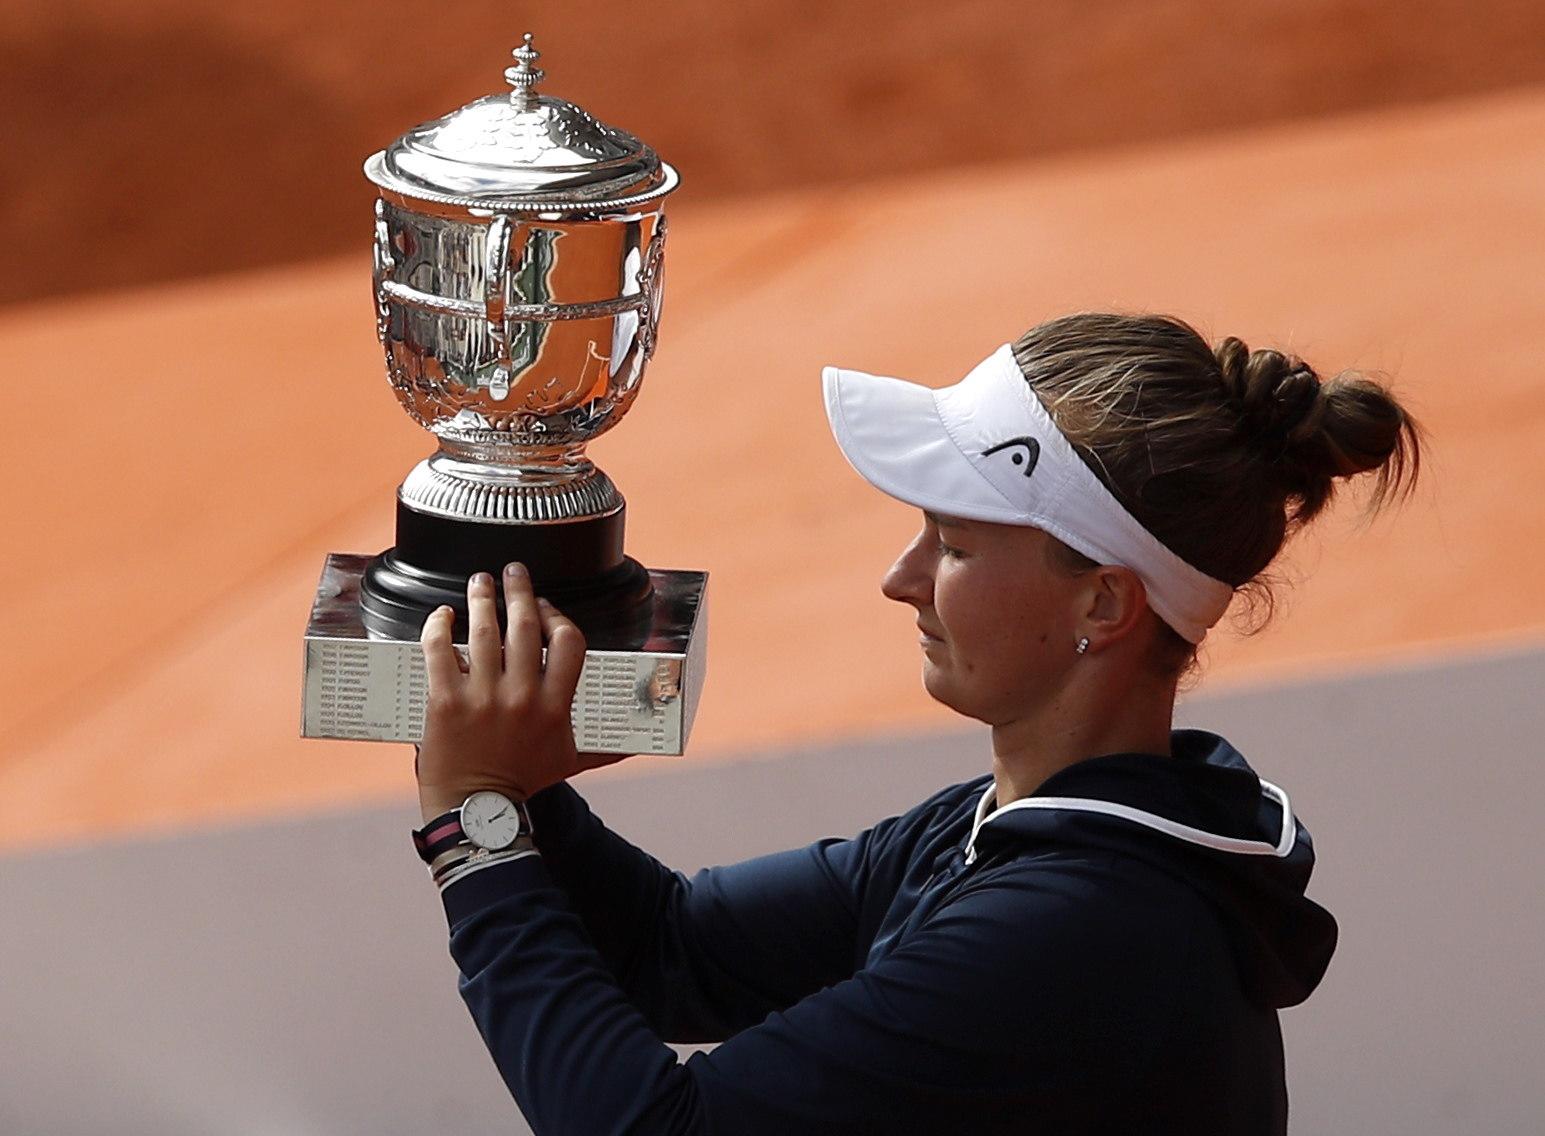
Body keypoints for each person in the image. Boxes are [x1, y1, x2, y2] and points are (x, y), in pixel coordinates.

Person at [410, 312, 1423, 1135]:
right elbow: (669, 948)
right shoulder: (1029, 830)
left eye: (953, 544)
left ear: (1102, 605)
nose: (899, 579)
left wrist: (479, 825)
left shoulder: (1077, 928)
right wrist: (517, 769)